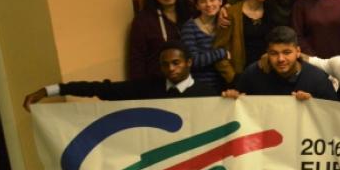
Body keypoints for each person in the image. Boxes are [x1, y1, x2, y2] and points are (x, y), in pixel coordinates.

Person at [24, 44, 221, 107]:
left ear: (189, 62)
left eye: (176, 63)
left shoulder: (208, 94)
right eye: (165, 64)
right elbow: (101, 89)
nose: (171, 69)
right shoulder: (148, 87)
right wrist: (51, 90)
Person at [223, 26, 338, 101]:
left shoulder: (318, 79)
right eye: (274, 53)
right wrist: (232, 99)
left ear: (298, 52)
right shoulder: (252, 74)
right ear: (267, 53)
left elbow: (333, 115)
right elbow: (237, 107)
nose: (280, 59)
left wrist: (313, 105)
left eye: (287, 52)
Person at [129, 0, 191, 81]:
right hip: (158, 81)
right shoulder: (143, 20)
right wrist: (138, 87)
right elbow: (137, 57)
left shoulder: (191, 12)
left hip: (191, 79)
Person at [214, 0, 272, 83]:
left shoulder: (272, 10)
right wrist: (233, 77)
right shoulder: (231, 13)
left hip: (270, 75)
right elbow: (218, 50)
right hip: (241, 77)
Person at [180, 0, 231, 89]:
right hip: (200, 85)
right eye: (203, 1)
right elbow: (193, 61)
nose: (208, 4)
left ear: (220, 1)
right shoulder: (189, 27)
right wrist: (222, 53)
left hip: (227, 82)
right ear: (197, 6)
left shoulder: (226, 22)